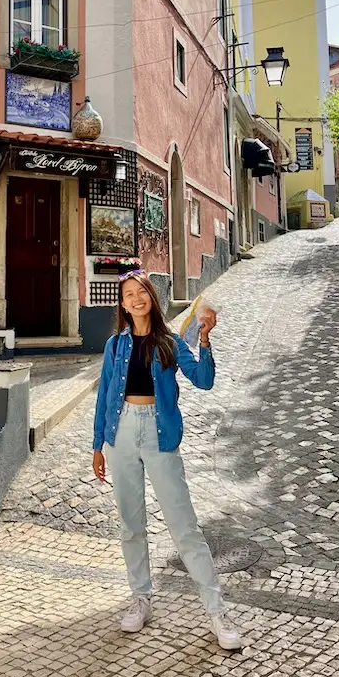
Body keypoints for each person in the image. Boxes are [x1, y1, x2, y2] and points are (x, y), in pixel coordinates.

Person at [92, 271, 242, 650]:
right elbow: (105, 395)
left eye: (141, 291)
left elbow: (204, 380)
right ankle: (141, 598)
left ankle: (216, 611)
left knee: (184, 527)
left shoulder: (170, 342)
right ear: (123, 305)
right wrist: (97, 446)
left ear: (151, 298)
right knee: (131, 524)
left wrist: (205, 339)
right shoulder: (115, 346)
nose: (136, 298)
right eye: (129, 294)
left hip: (159, 435)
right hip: (121, 433)